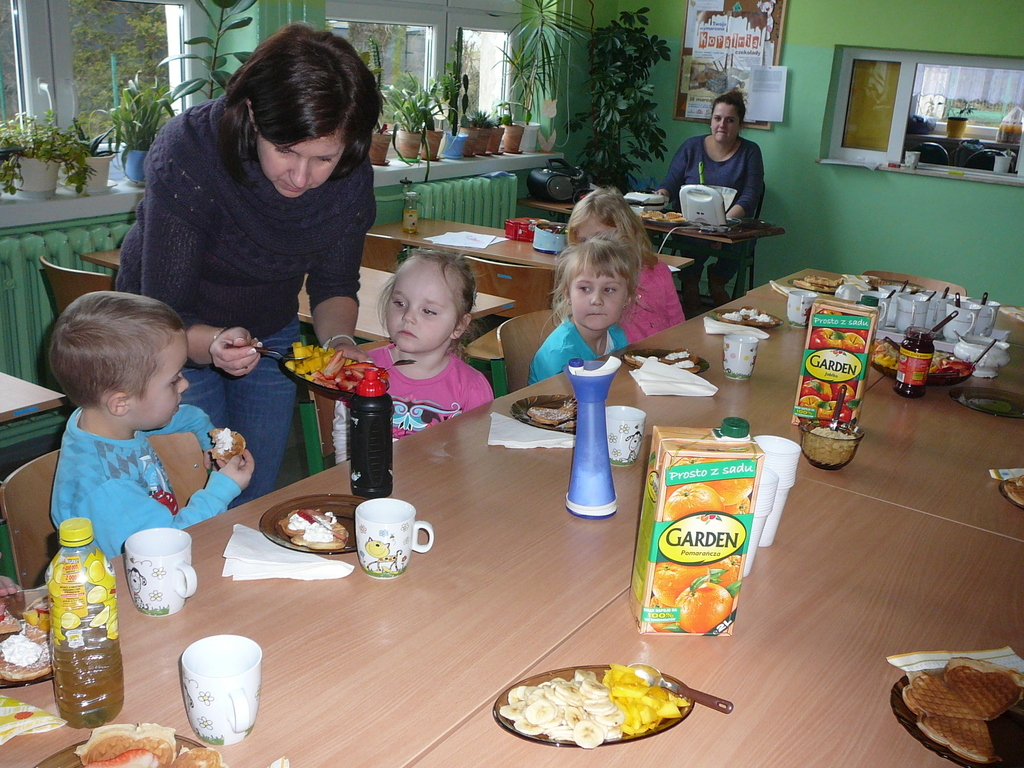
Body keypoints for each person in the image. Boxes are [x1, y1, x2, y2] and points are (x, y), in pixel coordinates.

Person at [116, 23, 382, 505]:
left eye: (323, 158)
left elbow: (335, 284)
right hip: (168, 338)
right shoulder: (190, 151)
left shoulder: (349, 178)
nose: (301, 177)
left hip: (268, 329)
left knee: (256, 484)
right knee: (194, 494)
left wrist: (340, 341)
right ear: (254, 116)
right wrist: (211, 343)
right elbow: (165, 310)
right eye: (286, 150)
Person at [48, 292, 254, 559]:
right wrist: (220, 492)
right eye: (173, 380)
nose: (185, 384)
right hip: (130, 586)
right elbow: (162, 546)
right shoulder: (108, 488)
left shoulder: (105, 421)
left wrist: (211, 444)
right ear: (121, 403)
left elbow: (190, 416)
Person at [333, 249, 492, 443]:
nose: (408, 316)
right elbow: (345, 435)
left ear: (459, 325)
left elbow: (476, 454)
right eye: (400, 303)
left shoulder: (471, 388)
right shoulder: (362, 369)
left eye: (428, 311)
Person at [657, 89, 764, 315]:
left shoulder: (750, 152)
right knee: (695, 241)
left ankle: (718, 280)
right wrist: (658, 197)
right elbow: (671, 183)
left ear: (740, 125)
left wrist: (723, 225)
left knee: (743, 242)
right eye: (717, 118)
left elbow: (750, 196)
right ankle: (690, 284)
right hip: (690, 225)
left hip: (731, 225)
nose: (722, 125)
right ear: (710, 121)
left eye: (729, 120)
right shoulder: (691, 147)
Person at [567, 187, 685, 342]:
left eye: (603, 239)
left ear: (629, 233)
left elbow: (678, 325)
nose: (593, 249)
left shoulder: (658, 271)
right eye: (584, 241)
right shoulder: (583, 282)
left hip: (660, 357)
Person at [528, 233, 638, 384]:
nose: (596, 300)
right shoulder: (561, 354)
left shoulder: (616, 336)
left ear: (627, 298)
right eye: (585, 288)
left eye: (609, 290)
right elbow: (566, 406)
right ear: (568, 294)